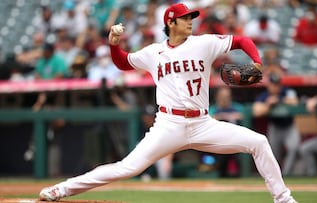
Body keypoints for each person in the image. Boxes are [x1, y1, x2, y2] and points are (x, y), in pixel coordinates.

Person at [39, 3, 298, 203]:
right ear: (171, 22)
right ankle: (61, 188)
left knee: (258, 142)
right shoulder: (153, 52)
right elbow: (123, 63)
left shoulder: (204, 43)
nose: (190, 21)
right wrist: (113, 45)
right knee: (127, 168)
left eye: (191, 18)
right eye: (185, 18)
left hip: (202, 123)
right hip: (168, 124)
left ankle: (283, 198)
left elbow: (242, 41)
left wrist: (256, 62)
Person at [252, 73, 301, 176]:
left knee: (294, 147)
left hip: (289, 126)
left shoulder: (287, 91)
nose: (275, 87)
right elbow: (256, 111)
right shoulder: (264, 96)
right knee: (273, 154)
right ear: (269, 85)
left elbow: (295, 102)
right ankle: (276, 176)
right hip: (275, 127)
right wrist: (268, 105)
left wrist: (279, 100)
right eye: (273, 84)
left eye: (277, 84)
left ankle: (286, 175)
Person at [209, 86, 244, 177]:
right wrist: (224, 116)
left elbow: (242, 115)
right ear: (217, 97)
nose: (225, 99)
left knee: (238, 162)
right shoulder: (213, 109)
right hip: (218, 142)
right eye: (222, 96)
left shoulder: (236, 107)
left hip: (236, 141)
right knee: (220, 165)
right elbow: (209, 117)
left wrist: (229, 116)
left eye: (227, 97)